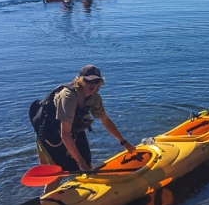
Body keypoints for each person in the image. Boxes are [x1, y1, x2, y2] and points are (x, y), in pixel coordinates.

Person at [36, 65, 136, 193]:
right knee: (59, 170)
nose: (93, 84)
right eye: (89, 80)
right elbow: (64, 134)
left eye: (96, 81)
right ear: (81, 80)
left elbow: (105, 120)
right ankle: (47, 201)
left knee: (88, 165)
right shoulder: (68, 97)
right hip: (51, 133)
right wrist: (79, 162)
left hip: (73, 129)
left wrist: (124, 142)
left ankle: (91, 193)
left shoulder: (95, 98)